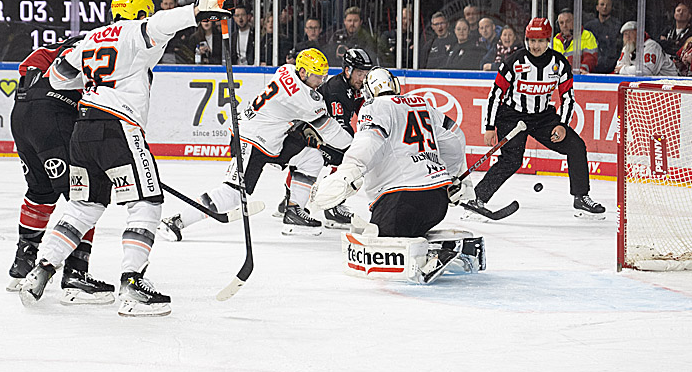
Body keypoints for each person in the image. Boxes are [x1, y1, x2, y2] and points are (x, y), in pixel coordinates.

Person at [18, 0, 229, 317]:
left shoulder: (90, 38)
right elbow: (163, 23)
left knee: (83, 207)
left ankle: (42, 269)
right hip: (118, 127)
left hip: (82, 129)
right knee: (147, 202)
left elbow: (58, 78)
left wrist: (95, 83)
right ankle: (132, 283)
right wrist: (201, 9)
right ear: (141, 12)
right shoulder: (134, 32)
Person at [160, 48, 355, 240]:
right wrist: (356, 148)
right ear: (303, 72)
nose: (321, 81)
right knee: (231, 195)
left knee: (312, 158)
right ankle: (177, 221)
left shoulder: (286, 70)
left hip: (271, 140)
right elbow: (334, 135)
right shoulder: (307, 102)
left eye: (323, 76)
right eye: (317, 76)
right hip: (250, 141)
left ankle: (294, 211)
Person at [6, 35, 114, 304]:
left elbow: (25, 68)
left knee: (40, 190)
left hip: (21, 114)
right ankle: (75, 273)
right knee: (85, 194)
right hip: (53, 116)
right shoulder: (103, 49)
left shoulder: (54, 49)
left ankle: (23, 262)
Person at [307, 67, 468, 240]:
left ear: (368, 91)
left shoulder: (374, 106)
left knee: (379, 243)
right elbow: (454, 139)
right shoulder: (421, 103)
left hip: (400, 200)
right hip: (437, 200)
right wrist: (450, 177)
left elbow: (368, 143)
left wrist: (346, 174)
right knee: (409, 233)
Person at [471, 18, 605, 219]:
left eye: (540, 41)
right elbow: (496, 94)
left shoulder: (559, 63)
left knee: (576, 146)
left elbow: (568, 97)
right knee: (512, 160)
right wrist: (489, 126)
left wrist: (562, 125)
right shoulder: (514, 61)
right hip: (512, 116)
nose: (535, 46)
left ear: (548, 40)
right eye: (531, 40)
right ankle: (478, 198)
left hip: (543, 117)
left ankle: (581, 197)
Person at [274, 47, 374, 228]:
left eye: (366, 74)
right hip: (312, 131)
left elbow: (361, 109)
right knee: (348, 157)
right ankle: (332, 205)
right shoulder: (337, 90)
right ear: (348, 70)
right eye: (359, 73)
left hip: (315, 130)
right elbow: (338, 130)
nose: (363, 78)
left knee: (310, 160)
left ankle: (289, 200)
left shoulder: (356, 86)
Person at [613, 21, 679, 76]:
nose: (628, 37)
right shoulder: (628, 47)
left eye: (631, 33)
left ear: (639, 34)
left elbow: (646, 71)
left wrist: (624, 69)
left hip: (669, 81)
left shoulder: (651, 46)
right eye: (626, 34)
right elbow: (618, 67)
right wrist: (625, 69)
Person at [552, 9, 598, 73]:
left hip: (579, 77)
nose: (565, 25)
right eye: (561, 23)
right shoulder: (554, 41)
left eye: (568, 21)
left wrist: (582, 70)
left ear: (575, 22)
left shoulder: (587, 36)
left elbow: (590, 58)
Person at [585, 0, 621, 72]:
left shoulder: (617, 26)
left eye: (608, 5)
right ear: (597, 7)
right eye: (602, 4)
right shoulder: (589, 26)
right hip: (592, 68)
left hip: (612, 68)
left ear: (611, 8)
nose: (604, 7)